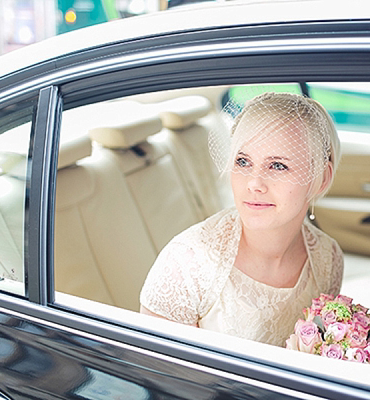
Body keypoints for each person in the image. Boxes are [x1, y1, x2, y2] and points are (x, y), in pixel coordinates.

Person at [139, 92, 344, 347]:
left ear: (320, 178)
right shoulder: (185, 268)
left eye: (277, 165)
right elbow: (164, 380)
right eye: (243, 161)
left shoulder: (327, 259)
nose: (254, 183)